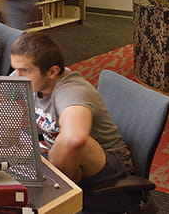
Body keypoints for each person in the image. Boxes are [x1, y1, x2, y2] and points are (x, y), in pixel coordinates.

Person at [10, 33, 133, 209]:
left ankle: (56, 199)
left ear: (52, 71)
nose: (18, 75)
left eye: (25, 70)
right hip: (65, 161)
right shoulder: (28, 77)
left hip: (110, 167)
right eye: (16, 68)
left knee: (73, 141)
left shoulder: (71, 91)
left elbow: (75, 139)